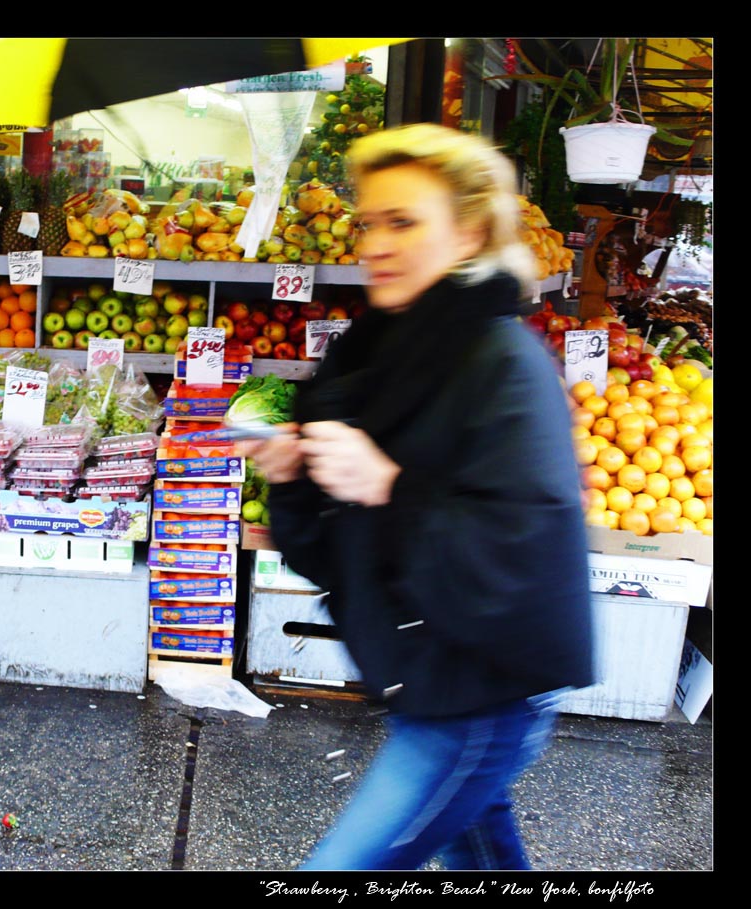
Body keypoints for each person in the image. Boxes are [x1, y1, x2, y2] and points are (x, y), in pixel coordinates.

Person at [241, 123, 594, 871]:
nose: (373, 245)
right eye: (367, 222)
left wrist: (387, 485)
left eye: (403, 222)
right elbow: (329, 547)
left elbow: (527, 550)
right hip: (425, 674)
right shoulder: (372, 349)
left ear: (468, 233)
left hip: (479, 695)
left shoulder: (504, 363)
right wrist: (289, 475)